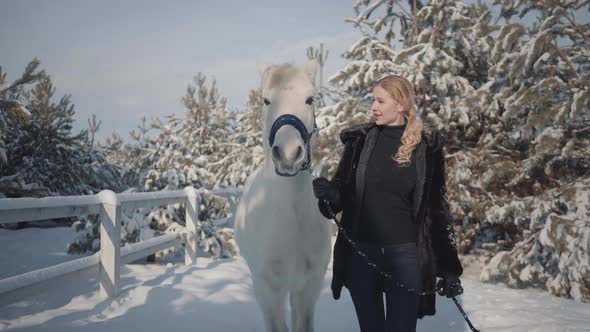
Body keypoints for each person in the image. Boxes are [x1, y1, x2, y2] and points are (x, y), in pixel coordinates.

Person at [312, 75, 464, 332]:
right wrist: (330, 195)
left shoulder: (426, 149)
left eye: (380, 100)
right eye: (373, 99)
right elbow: (341, 196)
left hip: (404, 257)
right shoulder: (360, 142)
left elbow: (437, 210)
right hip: (362, 254)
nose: (373, 106)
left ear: (401, 104)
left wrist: (449, 267)